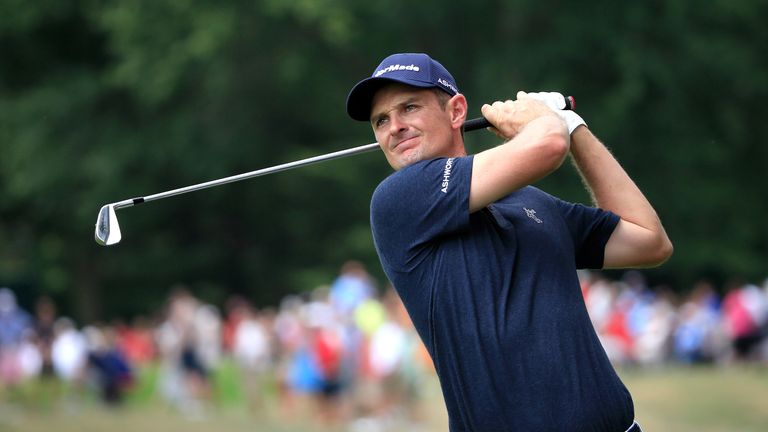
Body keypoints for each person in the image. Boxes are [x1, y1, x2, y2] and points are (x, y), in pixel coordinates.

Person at [345, 53, 673, 432]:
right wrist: (544, 122)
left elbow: (650, 242)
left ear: (456, 112)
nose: (395, 127)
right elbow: (548, 146)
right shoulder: (398, 200)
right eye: (381, 120)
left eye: (409, 107)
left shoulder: (531, 202)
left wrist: (574, 126)